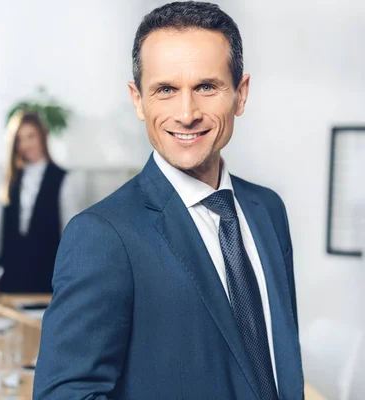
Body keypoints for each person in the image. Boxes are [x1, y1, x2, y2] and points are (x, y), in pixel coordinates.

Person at [33, 2, 303, 399]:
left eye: (206, 87)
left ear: (240, 95)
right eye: (165, 90)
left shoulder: (268, 211)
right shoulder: (102, 236)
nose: (187, 112)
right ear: (139, 100)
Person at [0, 110, 82, 293]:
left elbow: (71, 236)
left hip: (48, 280)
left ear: (42, 136)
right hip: (10, 281)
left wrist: (72, 278)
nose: (25, 144)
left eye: (31, 136)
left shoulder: (63, 180)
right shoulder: (8, 180)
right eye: (19, 139)